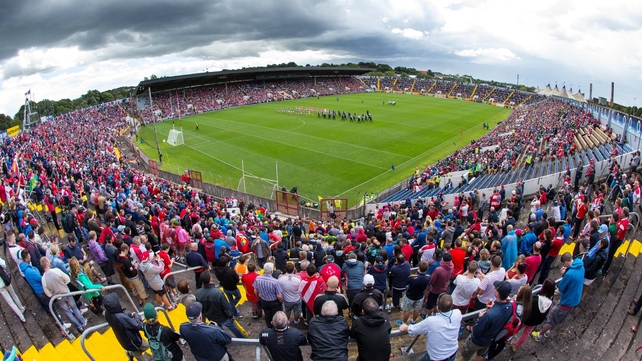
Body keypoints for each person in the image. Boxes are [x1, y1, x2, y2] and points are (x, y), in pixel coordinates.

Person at [532, 252, 585, 341]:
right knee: (557, 318)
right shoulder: (581, 266)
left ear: (566, 262)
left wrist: (564, 274)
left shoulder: (569, 273)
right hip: (575, 298)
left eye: (563, 263)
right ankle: (547, 331)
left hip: (567, 301)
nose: (563, 265)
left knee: (553, 317)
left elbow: (561, 288)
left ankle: (539, 335)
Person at [459, 281, 513, 361]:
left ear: (497, 293)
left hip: (477, 341)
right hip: (490, 340)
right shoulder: (510, 307)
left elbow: (476, 331)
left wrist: (481, 318)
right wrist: (494, 308)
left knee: (465, 357)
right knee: (480, 355)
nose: (494, 289)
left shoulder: (489, 315)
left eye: (496, 288)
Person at [399, 293, 462, 361]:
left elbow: (414, 329)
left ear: (437, 307)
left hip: (437, 357)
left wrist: (406, 328)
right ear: (451, 306)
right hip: (452, 352)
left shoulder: (431, 321)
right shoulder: (457, 313)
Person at [41, 257, 88, 333]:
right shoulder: (56, 271)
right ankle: (83, 321)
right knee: (74, 308)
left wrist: (54, 294)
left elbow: (48, 294)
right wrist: (63, 284)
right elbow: (67, 279)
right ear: (47, 263)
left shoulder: (43, 279)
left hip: (58, 297)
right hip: (66, 293)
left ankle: (79, 327)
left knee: (68, 312)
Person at [195, 270, 246, 338]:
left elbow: (200, 307)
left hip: (211, 317)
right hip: (223, 317)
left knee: (219, 329)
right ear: (211, 279)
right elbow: (225, 306)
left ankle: (224, 338)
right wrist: (230, 315)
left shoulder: (198, 293)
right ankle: (241, 338)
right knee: (233, 328)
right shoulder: (218, 293)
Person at [510, 278, 555, 351]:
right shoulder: (550, 301)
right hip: (536, 321)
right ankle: (516, 346)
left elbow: (527, 306)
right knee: (526, 334)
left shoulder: (536, 299)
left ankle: (510, 338)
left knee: (517, 328)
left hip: (527, 319)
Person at [104, 292, 148, 360]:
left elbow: (122, 313)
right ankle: (130, 353)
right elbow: (137, 325)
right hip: (133, 341)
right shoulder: (121, 318)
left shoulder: (108, 314)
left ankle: (130, 353)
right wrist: (136, 315)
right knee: (146, 348)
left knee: (142, 349)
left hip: (125, 341)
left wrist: (129, 314)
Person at [398, 260, 431, 325]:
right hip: (420, 296)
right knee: (417, 309)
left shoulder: (412, 277)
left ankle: (404, 323)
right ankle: (413, 321)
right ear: (427, 269)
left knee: (407, 310)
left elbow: (406, 284)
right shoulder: (428, 277)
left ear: (419, 267)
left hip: (409, 296)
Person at [253, 262, 283, 327]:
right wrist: (280, 301)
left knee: (267, 314)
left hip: (264, 300)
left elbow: (255, 290)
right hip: (274, 301)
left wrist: (259, 297)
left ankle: (269, 326)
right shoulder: (275, 282)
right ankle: (276, 326)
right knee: (275, 315)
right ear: (272, 271)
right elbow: (279, 295)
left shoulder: (258, 279)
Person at [0, 256, 26, 322]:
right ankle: (21, 308)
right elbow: (3, 264)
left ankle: (22, 318)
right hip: (5, 279)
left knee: (10, 302)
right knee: (14, 295)